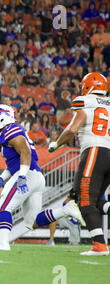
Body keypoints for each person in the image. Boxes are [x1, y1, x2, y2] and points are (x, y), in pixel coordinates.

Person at [0, 105, 84, 251]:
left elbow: (26, 152)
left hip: (27, 174)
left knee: (3, 206)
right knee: (32, 221)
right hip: (35, 176)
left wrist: (22, 176)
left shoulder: (11, 130)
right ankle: (66, 211)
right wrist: (2, 178)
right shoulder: (5, 134)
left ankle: (3, 244)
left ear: (2, 118)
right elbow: (14, 163)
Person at [48, 72, 110, 256]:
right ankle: (99, 244)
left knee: (83, 199)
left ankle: (99, 246)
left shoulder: (85, 101)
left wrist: (56, 144)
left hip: (94, 150)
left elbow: (72, 128)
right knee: (95, 200)